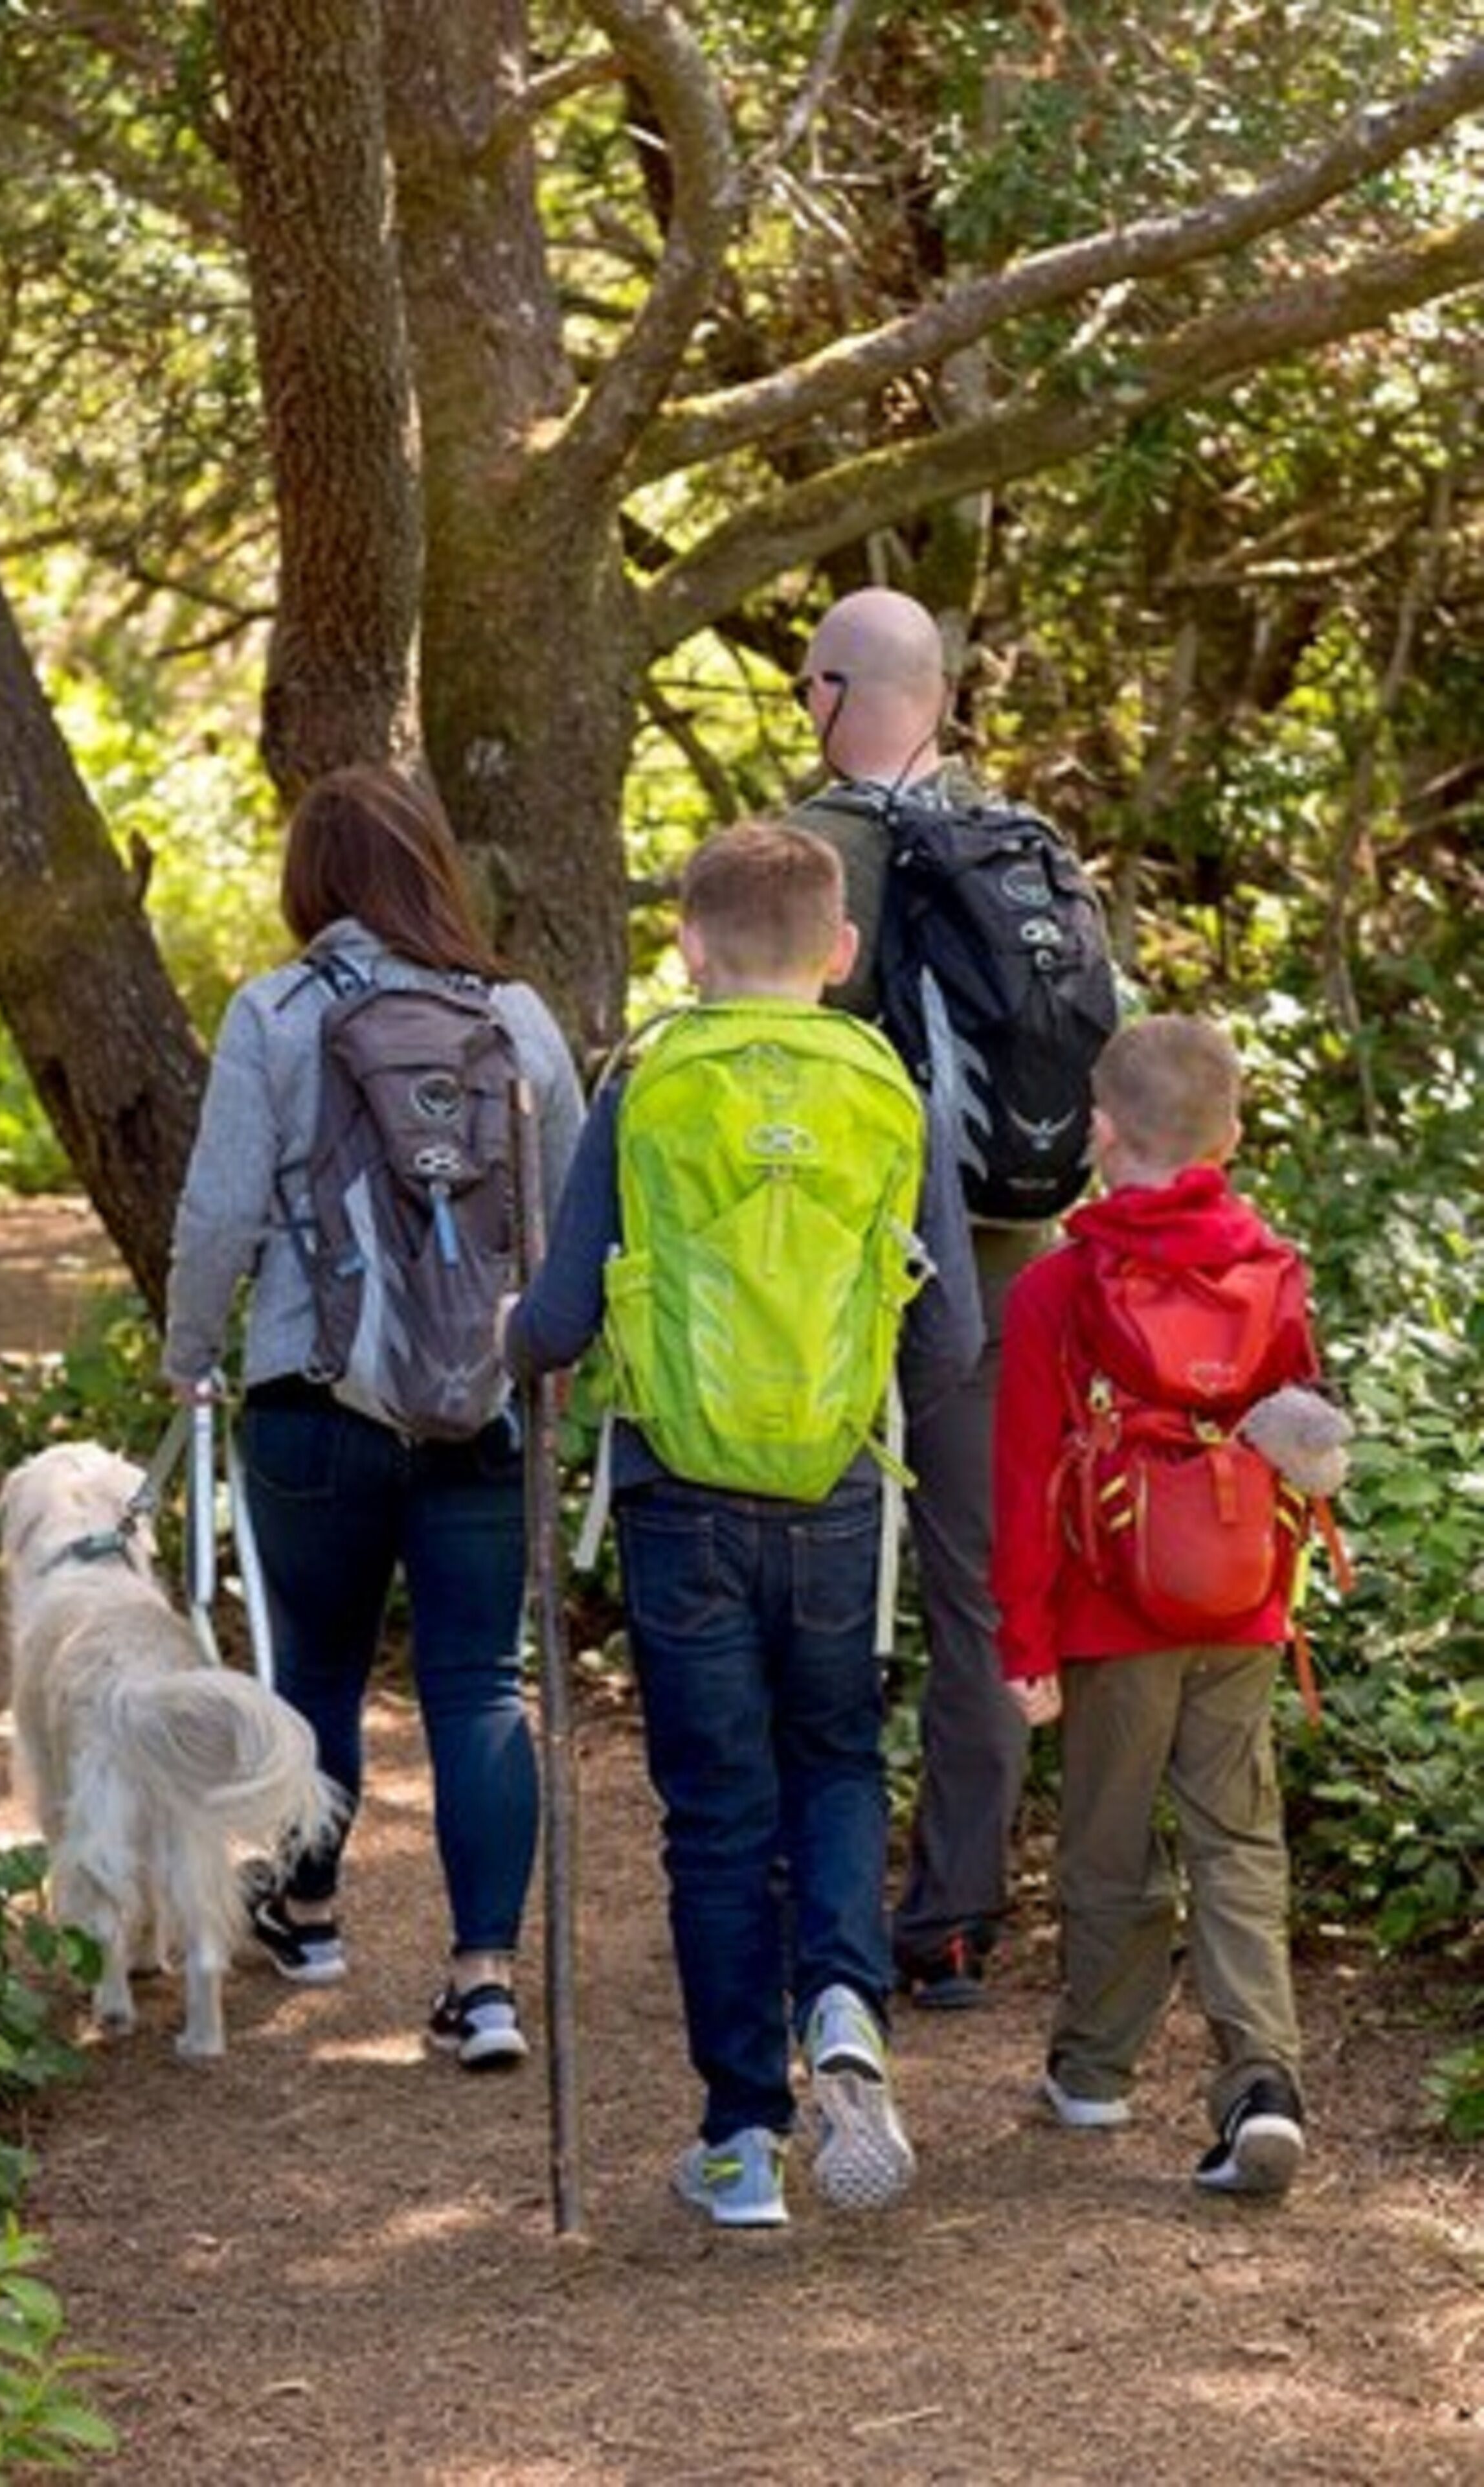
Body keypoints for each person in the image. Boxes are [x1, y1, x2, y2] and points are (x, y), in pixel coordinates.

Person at [503, 821, 982, 2227]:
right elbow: (947, 1334)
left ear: (689, 949)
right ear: (840, 953)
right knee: (833, 1762)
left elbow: (557, 1323)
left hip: (678, 1496)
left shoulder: (645, 1082)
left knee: (716, 1816)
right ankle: (840, 1998)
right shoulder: (888, 1087)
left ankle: (744, 2147)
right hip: (833, 1491)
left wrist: (511, 1334)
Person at [162, 761, 583, 2068]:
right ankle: (485, 1981)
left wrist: (189, 1354)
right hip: (478, 1399)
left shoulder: (276, 1012)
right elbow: (565, 1209)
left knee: (320, 1669)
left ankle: (313, 1907)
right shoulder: (514, 1015)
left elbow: (222, 1208)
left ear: (312, 882)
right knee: (478, 1684)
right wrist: (542, 1360)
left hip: (313, 1397)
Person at [992, 1015, 1316, 2194]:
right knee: (1238, 1841)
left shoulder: (1056, 1289)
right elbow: (1299, 1436)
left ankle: (1094, 2073)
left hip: (1111, 1609)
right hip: (1241, 1602)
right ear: (1227, 1134)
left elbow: (1025, 1477)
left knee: (1110, 1844)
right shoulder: (1274, 1272)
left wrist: (1021, 1638)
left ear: (1099, 1132)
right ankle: (1260, 2083)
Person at [791, 585, 1059, 2008]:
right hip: (1007, 1260)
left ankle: (810, 1891)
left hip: (828, 1283)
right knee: (976, 1588)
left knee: (804, 1562)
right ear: (941, 696)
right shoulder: (1026, 850)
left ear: (830, 694)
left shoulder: (804, 855)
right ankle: (953, 1917)